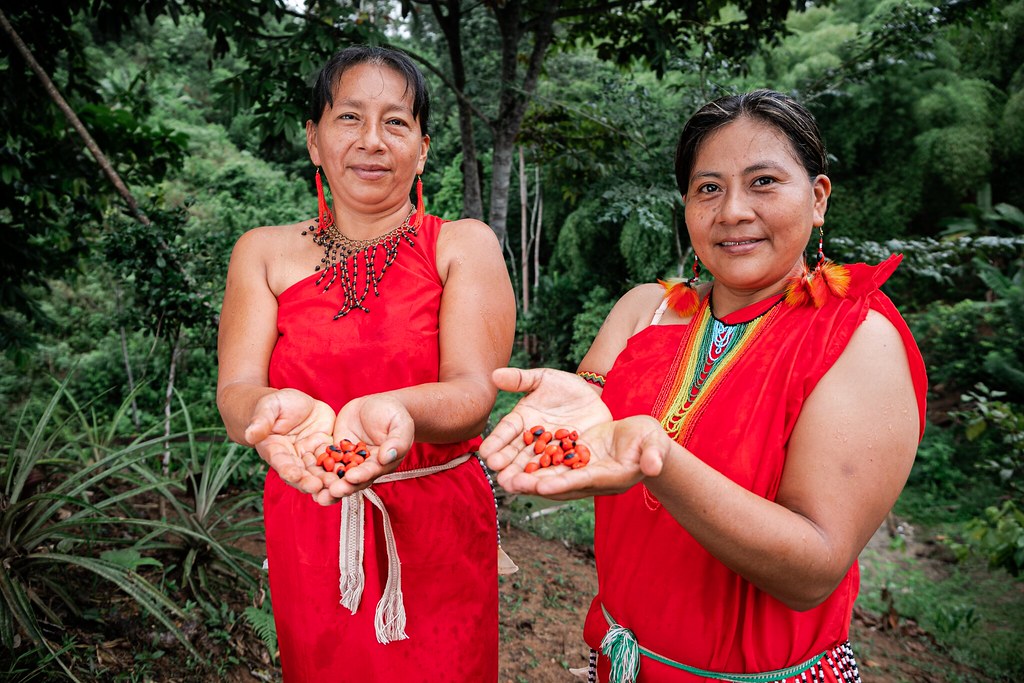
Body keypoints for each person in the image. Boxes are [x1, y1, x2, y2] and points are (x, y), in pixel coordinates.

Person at [481, 89, 927, 683]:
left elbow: (813, 571)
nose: (733, 211)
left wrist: (661, 461)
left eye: (763, 181)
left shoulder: (857, 339)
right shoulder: (643, 312)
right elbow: (591, 454)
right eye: (708, 188)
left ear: (818, 198)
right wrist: (564, 436)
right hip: (619, 664)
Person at [216, 45, 515, 681]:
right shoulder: (263, 254)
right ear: (314, 141)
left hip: (436, 523)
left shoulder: (462, 246)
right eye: (349, 118)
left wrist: (396, 408)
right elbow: (237, 388)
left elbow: (472, 391)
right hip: (313, 514)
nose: (372, 141)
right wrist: (268, 413)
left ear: (424, 148)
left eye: (396, 122)